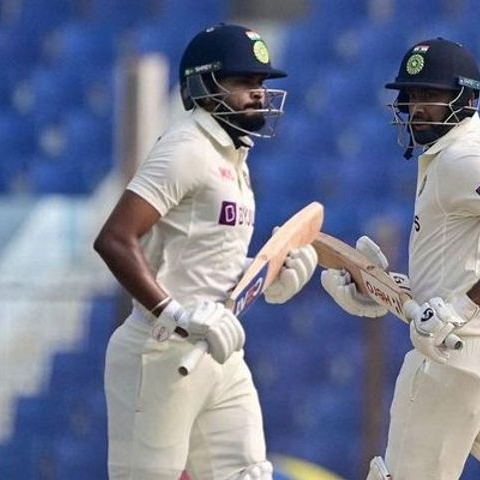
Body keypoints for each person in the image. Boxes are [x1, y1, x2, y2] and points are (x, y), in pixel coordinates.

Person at [320, 38, 480, 479]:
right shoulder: (467, 146)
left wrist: (460, 309)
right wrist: (389, 288)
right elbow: (467, 254)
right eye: (411, 96)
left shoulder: (461, 156)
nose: (417, 108)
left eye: (430, 94)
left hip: (459, 355)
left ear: (466, 98)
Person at [94, 23, 318, 480]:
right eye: (242, 81)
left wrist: (272, 275)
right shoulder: (187, 147)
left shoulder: (235, 157)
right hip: (160, 352)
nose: (258, 93)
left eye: (260, 82)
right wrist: (175, 314)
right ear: (203, 86)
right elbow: (115, 238)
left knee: (249, 473)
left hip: (219, 348)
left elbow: (208, 259)